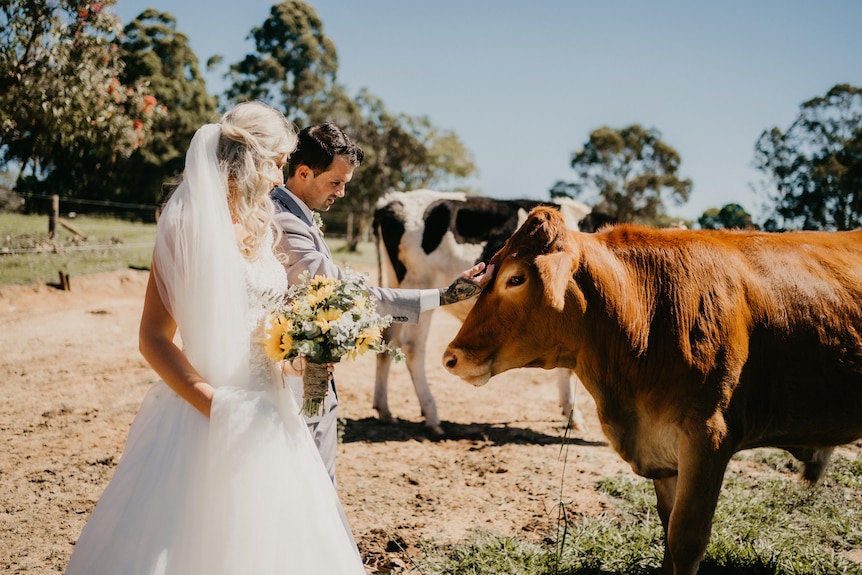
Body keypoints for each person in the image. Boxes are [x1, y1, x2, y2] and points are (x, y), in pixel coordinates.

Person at [64, 103, 366, 574]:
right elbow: (153, 338)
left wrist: (297, 356)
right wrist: (219, 406)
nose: (279, 175)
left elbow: (262, 323)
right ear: (249, 160)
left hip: (273, 410)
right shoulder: (185, 225)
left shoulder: (262, 225)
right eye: (277, 162)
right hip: (207, 413)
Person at [271, 122, 491, 483]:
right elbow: (349, 295)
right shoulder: (286, 221)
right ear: (304, 172)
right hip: (292, 381)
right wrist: (444, 296)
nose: (342, 193)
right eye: (336, 183)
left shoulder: (296, 214)